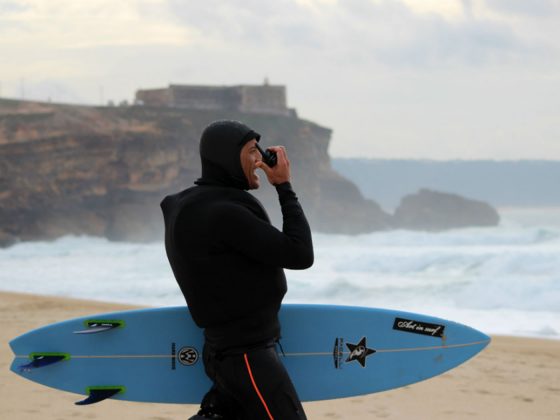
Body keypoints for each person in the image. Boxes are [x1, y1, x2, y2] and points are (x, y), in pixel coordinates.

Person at [160, 120, 314, 419]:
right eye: (251, 152)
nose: (259, 161)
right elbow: (300, 254)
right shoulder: (224, 213)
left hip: (224, 352)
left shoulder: (192, 206)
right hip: (247, 356)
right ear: (227, 157)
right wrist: (284, 187)